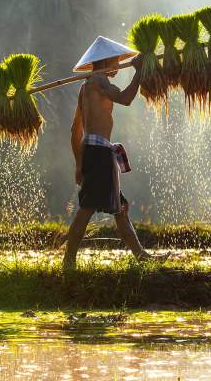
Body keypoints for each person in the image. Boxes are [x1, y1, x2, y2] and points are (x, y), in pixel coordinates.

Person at [62, 36, 156, 268]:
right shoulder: (98, 82)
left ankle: (141, 256)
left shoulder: (86, 86)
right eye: (115, 60)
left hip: (96, 151)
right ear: (106, 61)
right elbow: (125, 99)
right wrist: (138, 72)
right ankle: (68, 262)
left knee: (120, 207)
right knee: (87, 208)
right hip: (98, 152)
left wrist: (79, 163)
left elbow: (76, 129)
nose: (117, 64)